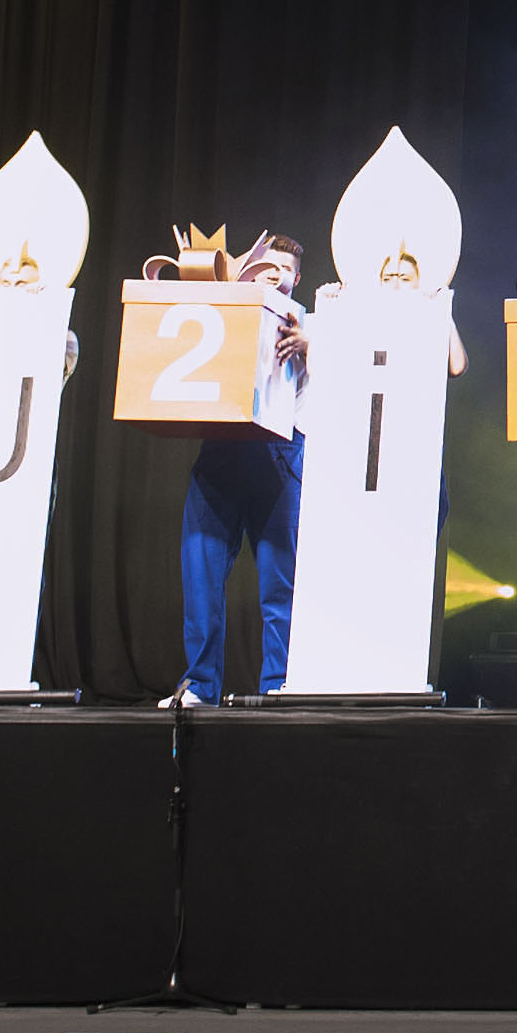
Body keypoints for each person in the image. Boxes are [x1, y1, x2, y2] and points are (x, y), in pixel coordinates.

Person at [169, 233, 309, 708]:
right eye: (266, 267)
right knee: (201, 574)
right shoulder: (226, 309)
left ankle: (278, 685)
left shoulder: (308, 323)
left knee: (279, 583)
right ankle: (199, 685)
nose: (273, 275)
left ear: (296, 279)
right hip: (222, 452)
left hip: (280, 455)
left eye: (283, 270)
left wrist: (312, 345)